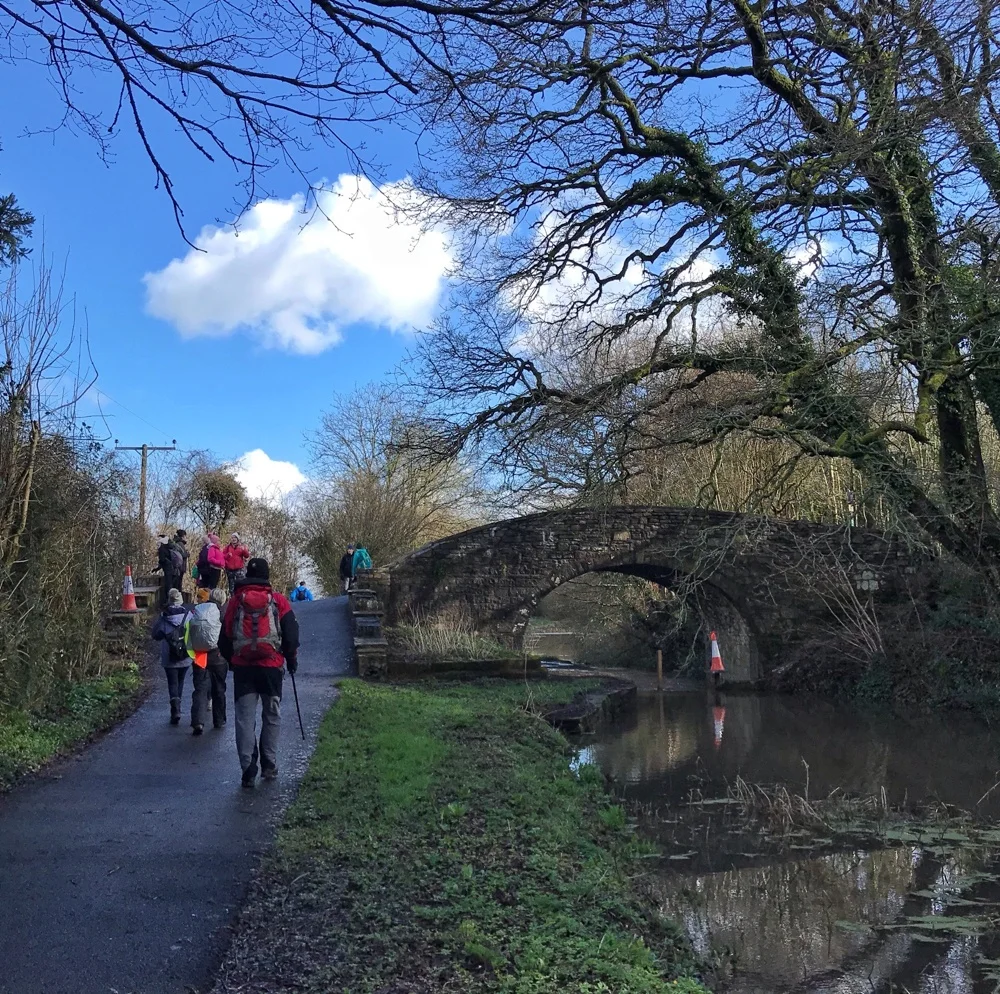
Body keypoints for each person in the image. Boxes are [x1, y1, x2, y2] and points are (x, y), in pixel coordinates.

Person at [219, 558, 299, 788]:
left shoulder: (235, 602)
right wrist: (290, 660)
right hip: (271, 667)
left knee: (244, 720)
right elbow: (292, 636)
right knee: (271, 716)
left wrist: (233, 662)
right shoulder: (278, 601)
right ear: (267, 576)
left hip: (244, 669)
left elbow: (224, 638)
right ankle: (269, 764)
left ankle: (248, 768)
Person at [186, 587, 229, 734]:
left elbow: (187, 629)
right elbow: (228, 634)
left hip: (199, 656)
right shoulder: (222, 613)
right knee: (219, 689)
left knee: (200, 689)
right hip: (218, 656)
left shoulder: (198, 609)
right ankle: (219, 720)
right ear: (222, 600)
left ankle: (198, 721)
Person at [151, 588, 193, 725]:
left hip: (169, 656)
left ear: (169, 600)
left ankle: (175, 708)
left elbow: (155, 635)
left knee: (172, 682)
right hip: (185, 656)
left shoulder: (164, 617)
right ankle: (178, 706)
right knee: (180, 681)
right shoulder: (188, 616)